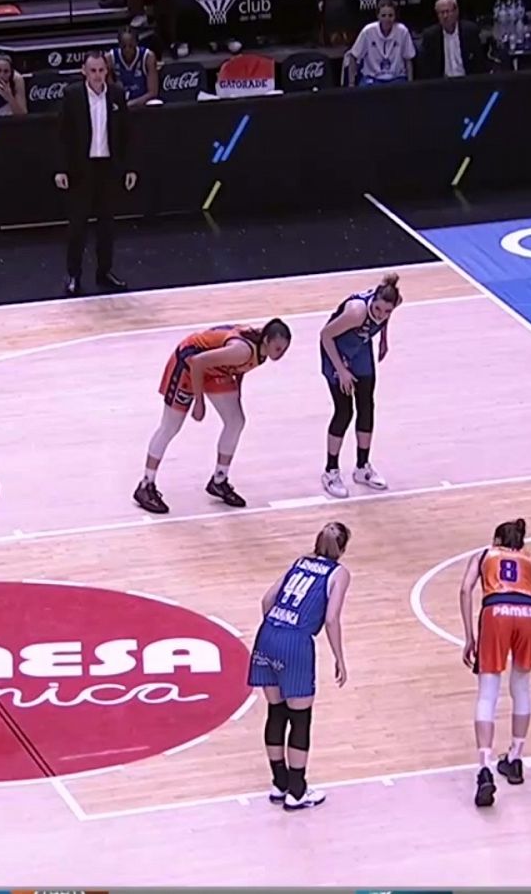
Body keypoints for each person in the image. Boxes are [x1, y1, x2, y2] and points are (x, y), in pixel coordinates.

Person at [458, 519, 531, 807]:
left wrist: (470, 636)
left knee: (487, 692)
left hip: (497, 611)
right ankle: (515, 759)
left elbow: (464, 590)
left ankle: (484, 767)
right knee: (521, 687)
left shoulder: (484, 555)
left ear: (496, 539)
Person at [134, 321, 293, 514]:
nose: (280, 354)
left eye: (284, 350)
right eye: (278, 348)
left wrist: (238, 393)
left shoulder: (261, 351)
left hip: (214, 368)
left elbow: (240, 368)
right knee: (170, 426)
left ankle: (219, 479)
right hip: (188, 364)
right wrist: (199, 402)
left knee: (236, 421)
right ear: (266, 340)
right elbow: (198, 362)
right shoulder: (241, 350)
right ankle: (145, 484)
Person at [247, 522, 352, 811]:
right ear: (342, 549)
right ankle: (297, 791)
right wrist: (339, 657)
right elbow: (331, 619)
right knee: (300, 718)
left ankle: (279, 783)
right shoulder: (339, 573)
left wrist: (276, 630)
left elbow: (267, 600)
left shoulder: (300, 561)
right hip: (295, 643)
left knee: (276, 712)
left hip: (267, 633)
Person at [56, 53, 137, 296]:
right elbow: (63, 134)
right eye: (93, 71)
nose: (98, 75)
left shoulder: (116, 94)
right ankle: (73, 275)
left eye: (101, 70)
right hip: (82, 167)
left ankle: (104, 272)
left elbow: (125, 133)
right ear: (84, 71)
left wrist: (129, 166)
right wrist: (61, 168)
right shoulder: (72, 95)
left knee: (107, 225)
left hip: (108, 166)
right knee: (78, 225)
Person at [319, 274, 402, 499]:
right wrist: (342, 370)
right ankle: (330, 471)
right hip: (335, 351)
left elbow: (385, 318)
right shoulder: (357, 312)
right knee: (344, 411)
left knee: (367, 406)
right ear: (372, 299)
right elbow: (325, 335)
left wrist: (384, 339)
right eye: (377, 309)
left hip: (360, 348)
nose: (381, 315)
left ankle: (362, 467)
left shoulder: (392, 302)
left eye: (387, 311)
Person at [343, 0, 415, 86]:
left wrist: (410, 84)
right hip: (372, 78)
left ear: (395, 16)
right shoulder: (368, 31)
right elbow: (353, 56)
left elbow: (408, 59)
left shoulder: (402, 31)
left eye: (390, 15)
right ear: (378, 16)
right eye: (383, 15)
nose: (387, 19)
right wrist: (351, 84)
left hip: (397, 78)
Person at [417, 0, 485, 79]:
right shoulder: (430, 36)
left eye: (448, 11)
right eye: (442, 13)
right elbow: (426, 68)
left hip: (467, 81)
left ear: (456, 12)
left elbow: (480, 63)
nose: (445, 16)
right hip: (443, 84)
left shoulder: (470, 31)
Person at [108, 28, 157, 106]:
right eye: (124, 46)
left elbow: (153, 92)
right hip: (121, 104)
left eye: (131, 46)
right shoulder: (110, 57)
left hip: (142, 103)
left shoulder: (148, 57)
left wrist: (131, 104)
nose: (127, 49)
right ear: (119, 44)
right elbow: (109, 90)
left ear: (137, 43)